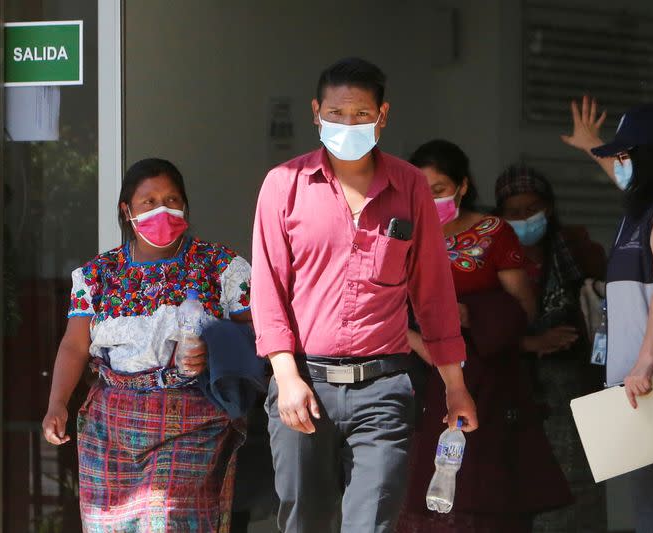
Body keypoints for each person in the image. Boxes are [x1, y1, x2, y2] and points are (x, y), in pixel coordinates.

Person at [251, 58, 478, 533]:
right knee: (305, 522)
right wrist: (286, 377)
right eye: (335, 113)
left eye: (359, 114)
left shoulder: (410, 185)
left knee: (372, 523)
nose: (346, 124)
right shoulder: (283, 185)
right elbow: (267, 289)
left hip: (383, 387)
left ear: (382, 116)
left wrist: (455, 386)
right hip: (303, 383)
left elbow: (433, 292)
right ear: (316, 112)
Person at [41, 158, 252, 532]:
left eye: (172, 200)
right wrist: (57, 402)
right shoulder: (97, 275)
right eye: (149, 202)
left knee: (166, 519)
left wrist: (215, 348)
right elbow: (75, 345)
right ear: (127, 210)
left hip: (190, 418)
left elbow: (259, 332)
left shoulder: (220, 266)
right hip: (111, 422)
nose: (162, 210)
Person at [398, 140, 571, 533]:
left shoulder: (493, 232)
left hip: (487, 377)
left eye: (438, 189)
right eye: (420, 191)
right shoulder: (403, 236)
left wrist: (470, 314)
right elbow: (381, 304)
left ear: (462, 186)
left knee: (490, 488)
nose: (429, 199)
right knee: (428, 489)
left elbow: (522, 310)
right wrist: (414, 339)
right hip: (420, 378)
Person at [563, 96, 653, 533]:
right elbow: (623, 178)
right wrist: (591, 145)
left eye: (624, 156)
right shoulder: (644, 205)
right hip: (642, 380)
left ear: (649, 159)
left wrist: (645, 360)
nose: (617, 164)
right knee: (646, 498)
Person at [495, 164, 608, 531]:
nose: (524, 218)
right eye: (514, 212)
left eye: (532, 209)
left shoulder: (577, 249)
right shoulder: (491, 256)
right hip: (512, 389)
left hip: (574, 388)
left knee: (576, 486)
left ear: (549, 208)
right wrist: (529, 342)